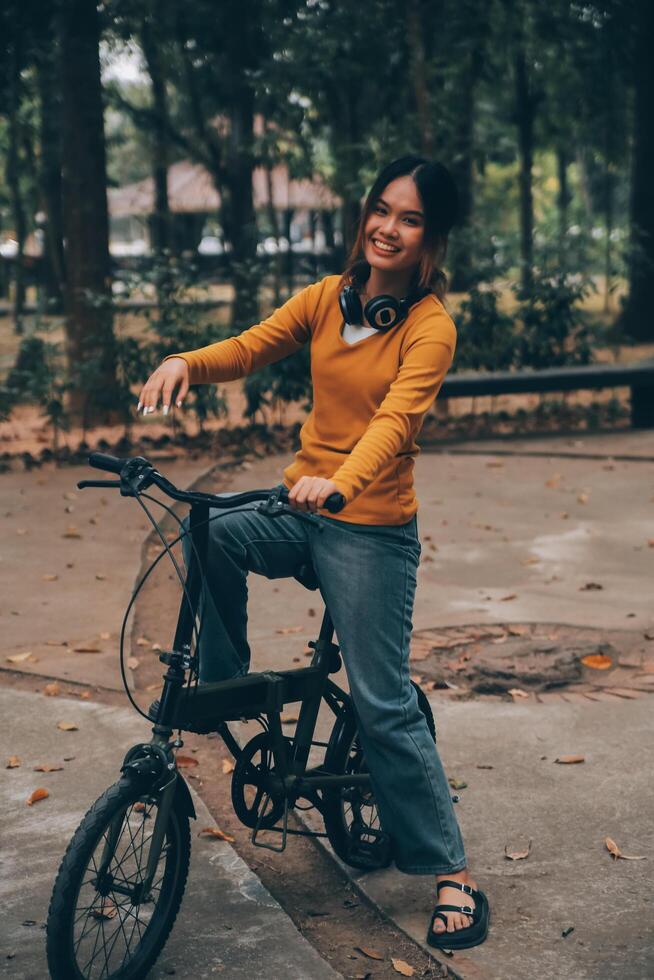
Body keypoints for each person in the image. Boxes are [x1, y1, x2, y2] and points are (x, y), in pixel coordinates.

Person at [137, 154, 489, 951]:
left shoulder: (432, 327)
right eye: (381, 209)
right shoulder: (329, 300)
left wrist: (337, 483)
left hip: (368, 524)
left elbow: (395, 424)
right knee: (212, 528)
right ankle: (228, 686)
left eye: (408, 219)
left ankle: (453, 874)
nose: (386, 227)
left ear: (432, 238)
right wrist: (186, 361)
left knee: (382, 699)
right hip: (302, 509)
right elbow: (253, 346)